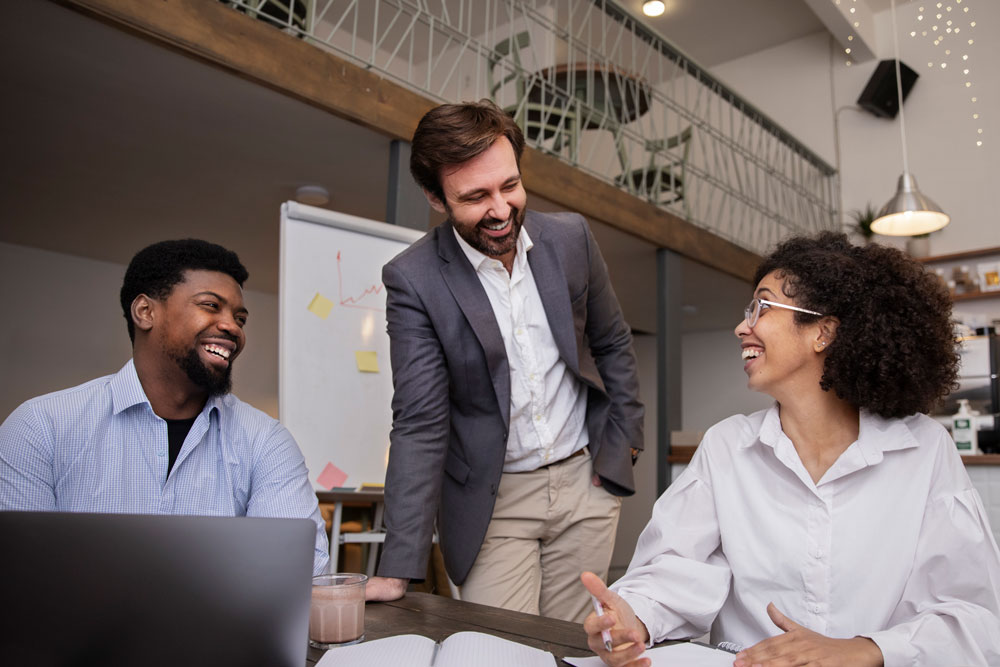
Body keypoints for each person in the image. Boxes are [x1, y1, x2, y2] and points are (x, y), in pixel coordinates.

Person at [582, 232, 1000, 666]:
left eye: (762, 307)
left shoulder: (924, 450)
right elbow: (676, 569)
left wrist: (864, 650)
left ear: (823, 332)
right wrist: (632, 618)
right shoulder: (727, 446)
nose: (742, 326)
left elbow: (974, 619)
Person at [366, 100, 644, 622]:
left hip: (587, 485)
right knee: (503, 651)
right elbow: (421, 422)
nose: (500, 209)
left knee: (572, 647)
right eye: (475, 196)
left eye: (509, 186)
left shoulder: (571, 238)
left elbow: (612, 342)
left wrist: (623, 445)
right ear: (435, 197)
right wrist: (397, 563)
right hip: (491, 504)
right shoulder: (414, 279)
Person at [0, 239, 330, 575]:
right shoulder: (41, 427)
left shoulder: (266, 441)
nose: (233, 327)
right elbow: (20, 580)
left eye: (240, 318)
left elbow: (299, 577)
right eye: (211, 305)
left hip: (220, 630)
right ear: (145, 312)